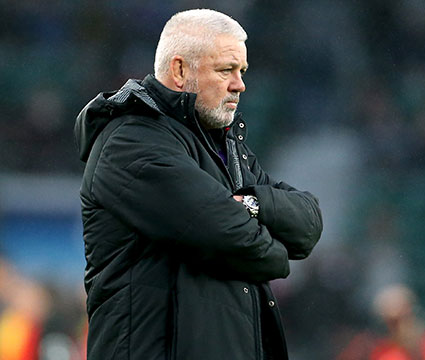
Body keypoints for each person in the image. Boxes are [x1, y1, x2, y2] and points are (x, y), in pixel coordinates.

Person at [74, 9, 322, 359]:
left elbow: (309, 223)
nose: (240, 84)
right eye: (225, 70)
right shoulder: (129, 142)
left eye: (242, 71)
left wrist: (250, 203)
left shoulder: (226, 147)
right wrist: (277, 250)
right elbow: (235, 240)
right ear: (179, 70)